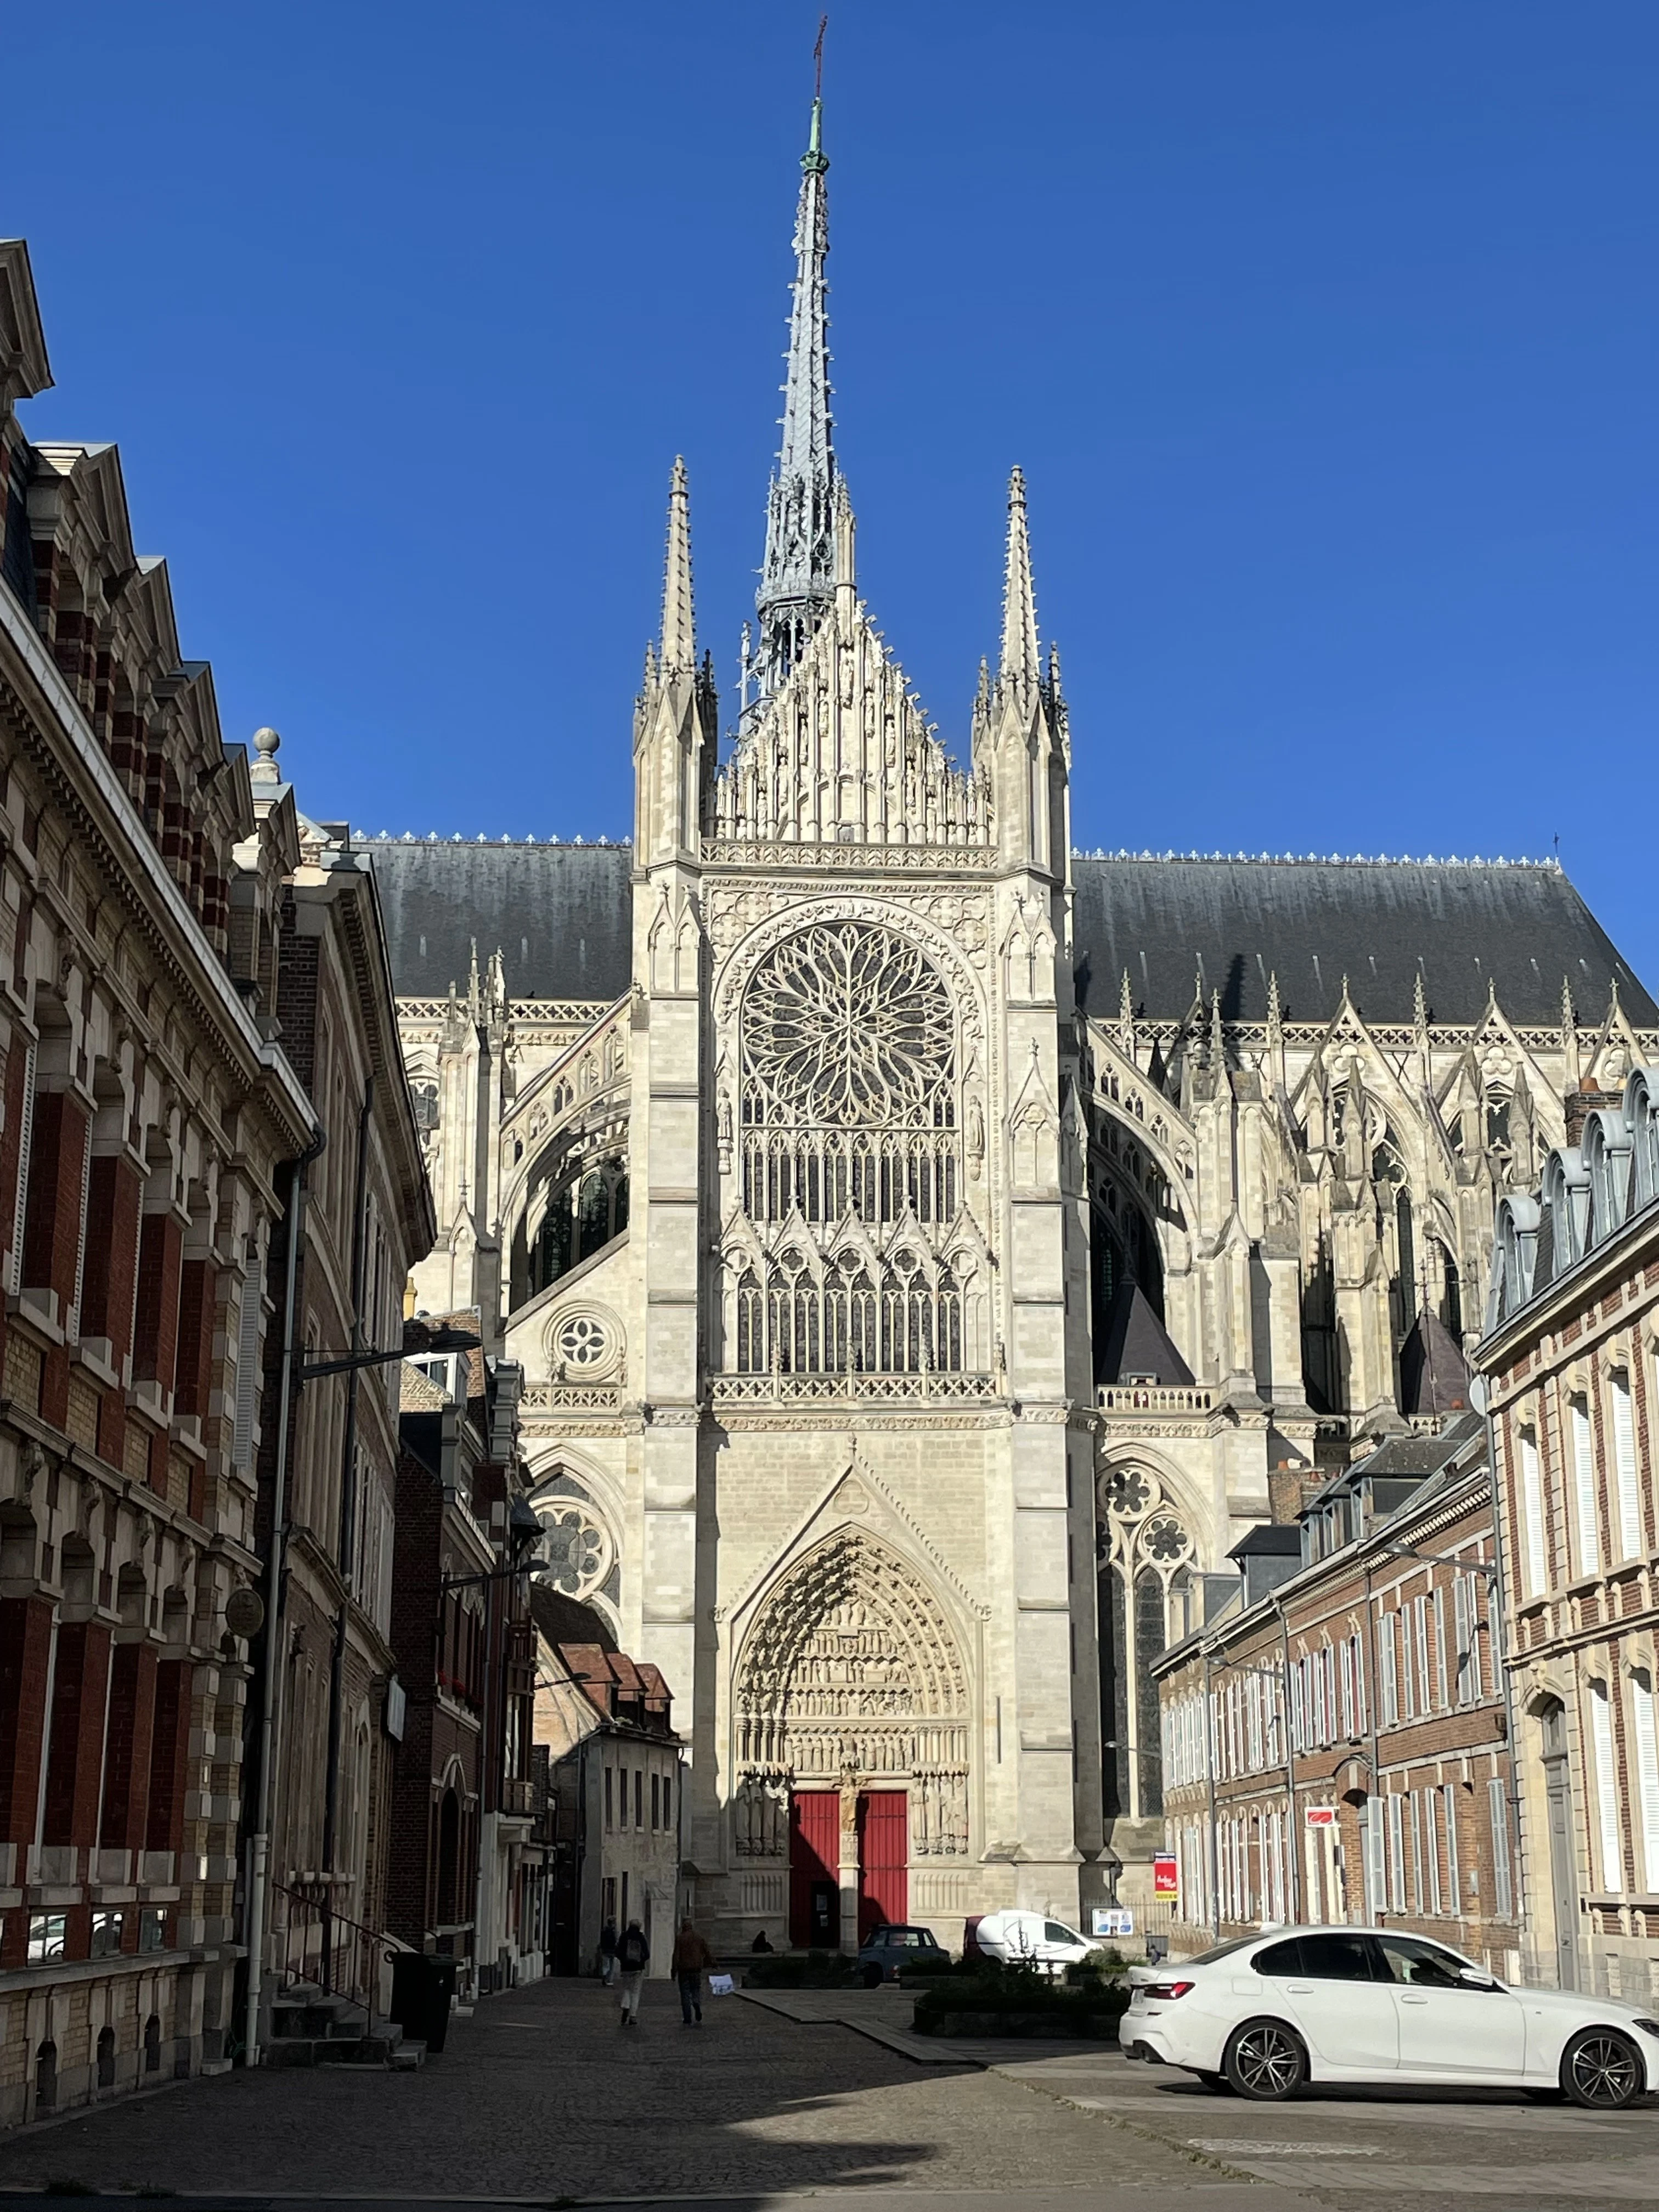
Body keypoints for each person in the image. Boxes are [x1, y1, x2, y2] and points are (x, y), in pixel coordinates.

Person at [671, 1917, 716, 2025]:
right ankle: (696, 2002)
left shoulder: (680, 1938)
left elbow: (676, 1956)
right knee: (696, 1989)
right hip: (696, 1969)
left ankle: (687, 2018)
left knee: (685, 1993)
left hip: (684, 1970)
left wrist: (674, 1971)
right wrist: (713, 1963)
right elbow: (707, 1952)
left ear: (683, 1927)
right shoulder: (698, 1937)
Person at [616, 1918, 650, 2027]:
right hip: (638, 1968)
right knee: (636, 1991)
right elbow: (647, 1954)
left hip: (626, 1968)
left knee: (627, 1988)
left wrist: (623, 1960)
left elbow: (618, 1952)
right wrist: (641, 1961)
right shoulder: (641, 1937)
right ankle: (633, 2016)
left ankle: (626, 2006)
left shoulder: (624, 1936)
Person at [599, 1917, 619, 1988]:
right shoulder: (614, 1931)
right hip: (613, 1951)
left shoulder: (604, 1930)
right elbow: (617, 1940)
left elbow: (601, 1940)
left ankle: (604, 1976)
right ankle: (610, 1980)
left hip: (605, 1950)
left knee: (605, 1965)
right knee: (612, 1966)